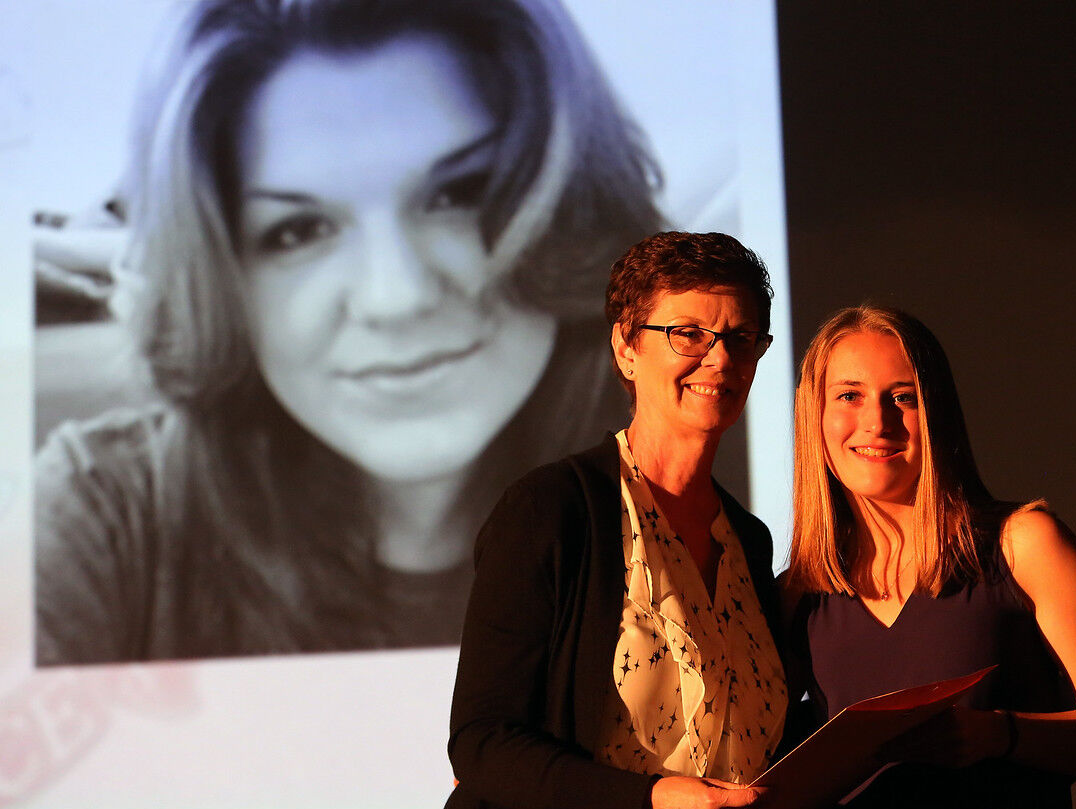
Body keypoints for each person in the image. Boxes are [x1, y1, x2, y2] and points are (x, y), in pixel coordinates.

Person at [34, 0, 662, 664]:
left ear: (573, 207)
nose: (396, 297)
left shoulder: (711, 471)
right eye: (297, 231)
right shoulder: (104, 520)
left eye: (459, 193)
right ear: (218, 282)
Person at [432, 231, 794, 809]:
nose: (719, 359)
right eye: (688, 334)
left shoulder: (748, 539)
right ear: (626, 347)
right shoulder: (551, 510)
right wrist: (648, 801)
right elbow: (483, 743)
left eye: (741, 338)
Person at [786, 306, 1076, 809]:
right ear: (814, 414)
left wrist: (999, 735)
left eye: (903, 397)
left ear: (938, 411)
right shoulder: (796, 593)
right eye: (850, 396)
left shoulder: (1023, 545)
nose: (877, 421)